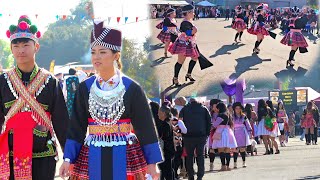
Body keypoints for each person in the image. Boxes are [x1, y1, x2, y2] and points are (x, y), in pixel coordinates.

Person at [59, 20, 162, 179]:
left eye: (102, 52)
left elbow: (145, 126)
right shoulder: (85, 88)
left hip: (125, 152)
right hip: (93, 151)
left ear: (116, 55)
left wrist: (152, 163)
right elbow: (77, 127)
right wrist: (68, 158)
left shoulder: (131, 88)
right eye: (93, 52)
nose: (96, 57)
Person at [0, 15, 68, 180]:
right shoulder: (2, 81)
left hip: (43, 153)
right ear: (11, 48)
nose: (21, 50)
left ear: (36, 47)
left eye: (25, 45)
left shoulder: (50, 81)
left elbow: (61, 121)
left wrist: (69, 156)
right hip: (10, 153)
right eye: (16, 45)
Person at [179, 98, 211, 180]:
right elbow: (209, 122)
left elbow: (180, 122)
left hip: (188, 137)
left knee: (189, 156)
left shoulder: (184, 109)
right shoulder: (204, 109)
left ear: (190, 102)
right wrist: (207, 134)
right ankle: (200, 175)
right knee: (200, 155)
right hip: (201, 136)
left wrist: (183, 133)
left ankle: (190, 175)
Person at [168, 4, 199, 86]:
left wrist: (193, 32)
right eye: (192, 12)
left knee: (195, 58)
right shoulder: (185, 22)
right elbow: (188, 33)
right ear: (188, 13)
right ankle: (175, 79)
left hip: (189, 43)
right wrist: (194, 31)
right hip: (183, 44)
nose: (194, 14)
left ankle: (188, 74)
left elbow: (191, 33)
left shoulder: (189, 21)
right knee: (181, 61)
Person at [211, 102, 237, 171]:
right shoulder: (229, 114)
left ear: (219, 108)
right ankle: (228, 166)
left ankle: (223, 166)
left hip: (221, 132)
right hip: (228, 132)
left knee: (221, 149)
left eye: (217, 108)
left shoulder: (221, 115)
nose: (216, 110)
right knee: (227, 150)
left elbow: (215, 125)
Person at [158, 105, 175, 180]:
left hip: (166, 150)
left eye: (159, 112)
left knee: (167, 170)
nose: (158, 114)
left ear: (163, 113)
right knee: (169, 169)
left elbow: (164, 137)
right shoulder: (168, 122)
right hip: (169, 149)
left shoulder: (165, 124)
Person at [232, 102, 252, 168]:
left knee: (242, 149)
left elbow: (247, 124)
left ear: (241, 109)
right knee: (235, 149)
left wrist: (250, 131)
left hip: (242, 132)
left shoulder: (244, 116)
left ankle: (244, 162)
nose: (237, 110)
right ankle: (235, 163)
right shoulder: (232, 116)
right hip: (234, 132)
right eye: (236, 108)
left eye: (239, 108)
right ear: (234, 109)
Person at [208, 99, 221, 171]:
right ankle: (211, 164)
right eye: (215, 106)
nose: (216, 108)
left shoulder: (222, 114)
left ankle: (224, 164)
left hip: (221, 132)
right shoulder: (210, 114)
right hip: (212, 133)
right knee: (212, 149)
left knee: (221, 148)